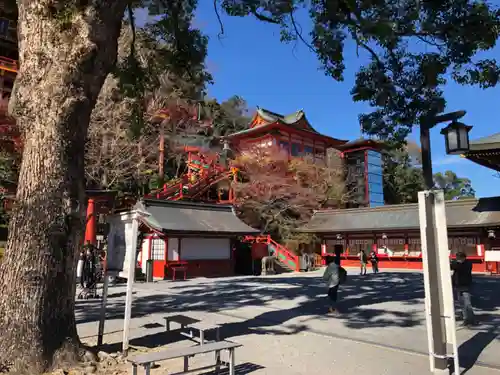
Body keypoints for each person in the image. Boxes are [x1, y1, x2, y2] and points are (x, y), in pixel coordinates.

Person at [451, 252, 475, 326]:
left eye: (459, 258)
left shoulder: (468, 264)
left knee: (467, 304)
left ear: (464, 258)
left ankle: (470, 320)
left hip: (465, 285)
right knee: (461, 303)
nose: (458, 260)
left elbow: (460, 268)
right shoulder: (457, 263)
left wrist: (457, 263)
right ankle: (465, 319)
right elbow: (451, 267)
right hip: (458, 285)